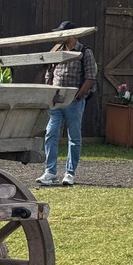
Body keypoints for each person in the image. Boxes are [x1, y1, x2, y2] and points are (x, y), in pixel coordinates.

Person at [36, 20, 98, 187]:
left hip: (74, 101)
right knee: (51, 133)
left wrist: (78, 96)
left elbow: (90, 77)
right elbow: (50, 72)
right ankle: (50, 172)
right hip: (56, 101)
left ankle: (70, 173)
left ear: (73, 34)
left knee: (74, 137)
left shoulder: (85, 52)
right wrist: (48, 92)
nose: (60, 36)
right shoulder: (57, 50)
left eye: (63, 33)